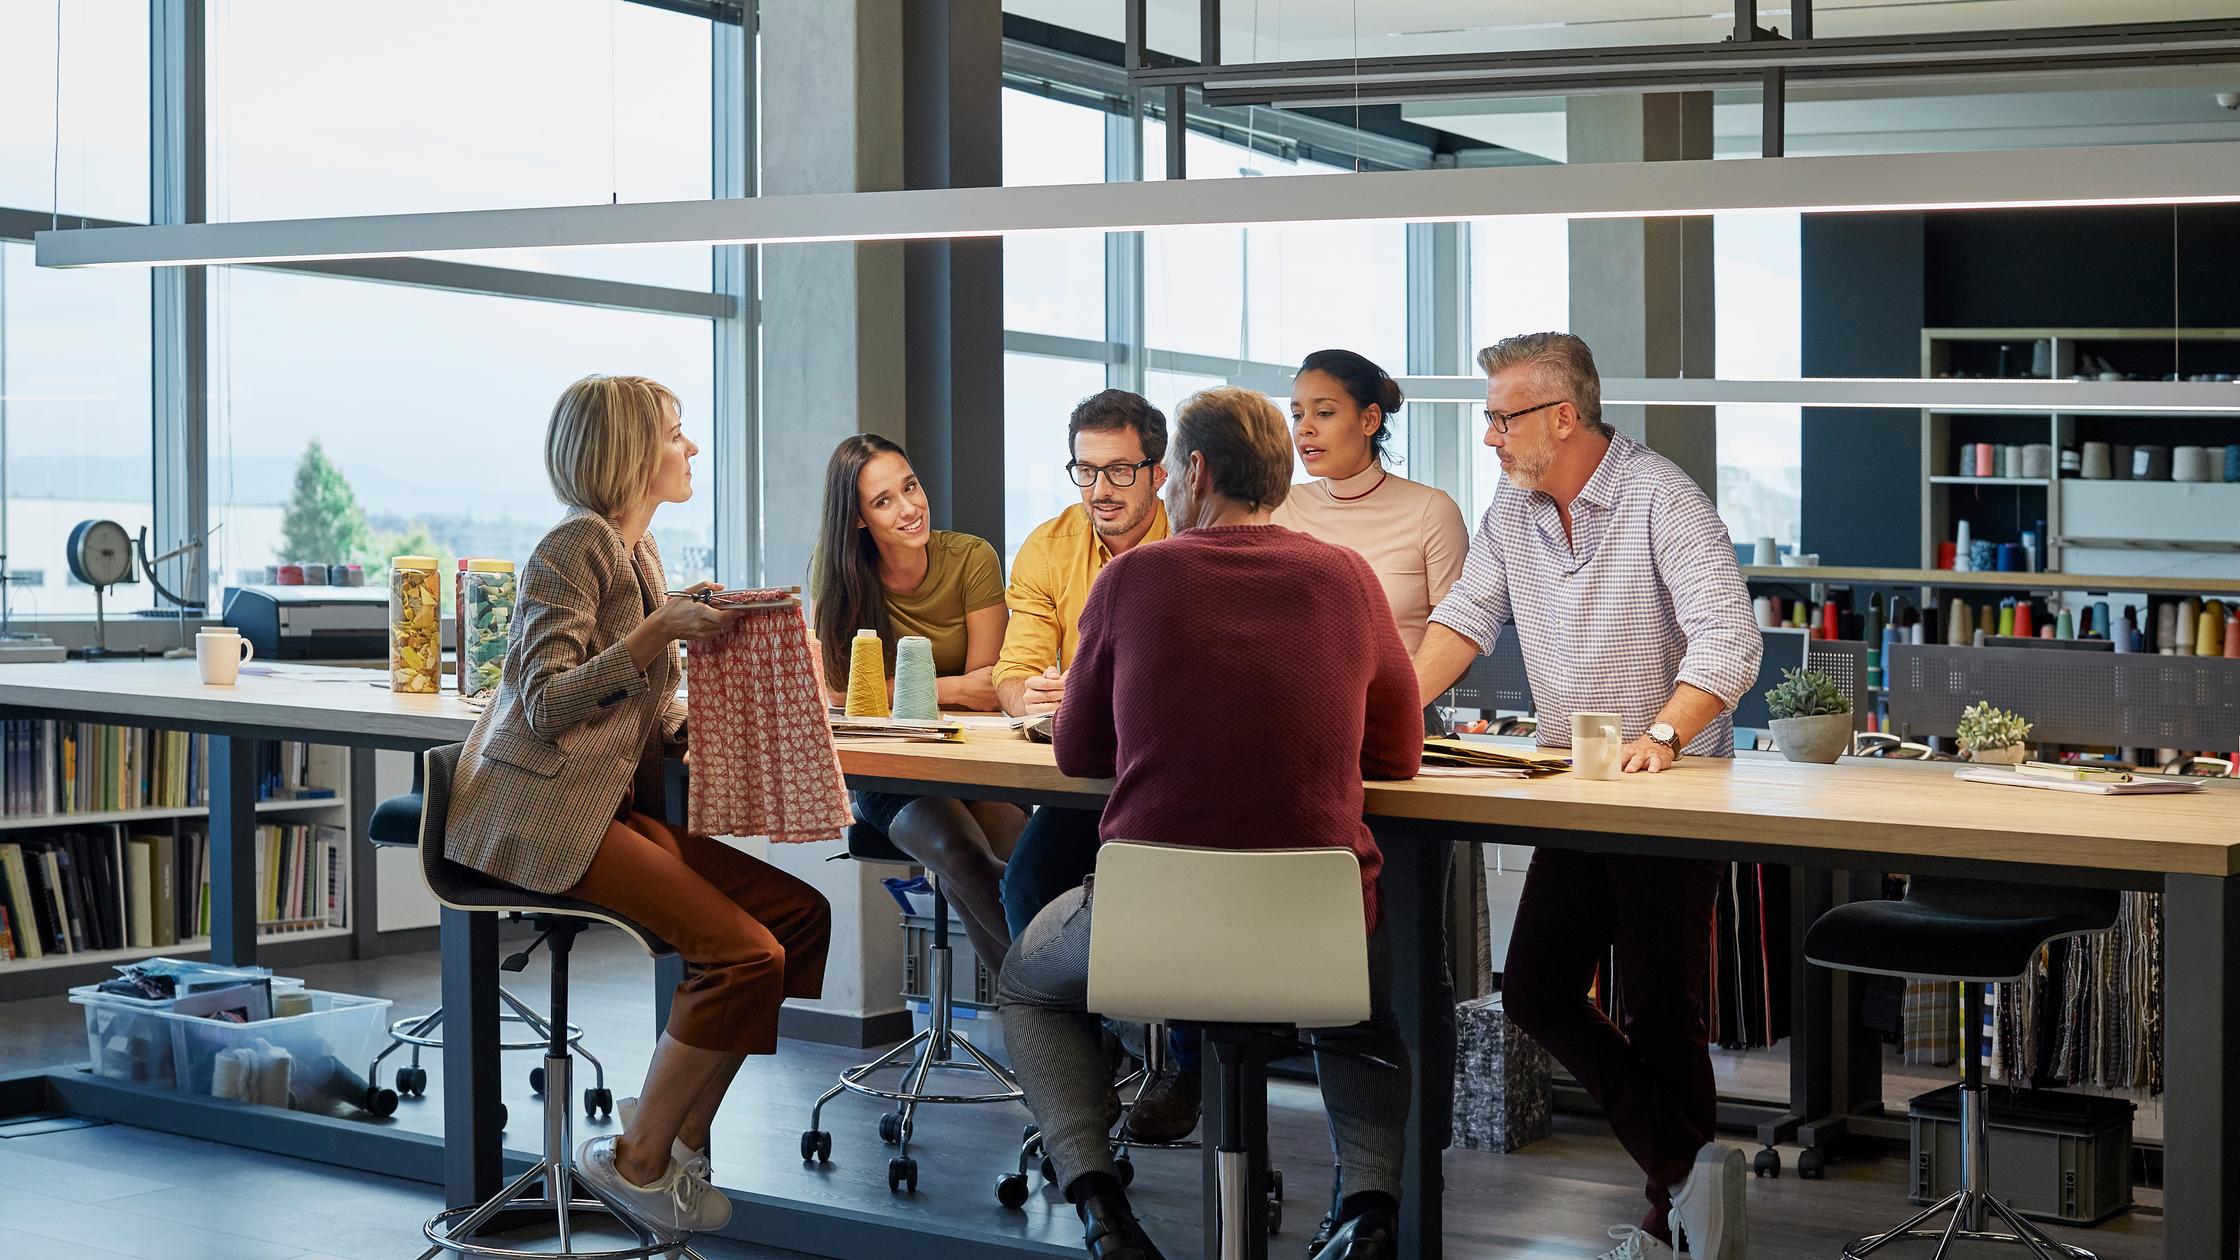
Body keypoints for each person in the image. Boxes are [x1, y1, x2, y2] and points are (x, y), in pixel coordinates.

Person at [998, 386, 1422, 1260]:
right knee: (1365, 1015)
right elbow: (1400, 755)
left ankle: (1099, 1206)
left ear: (1192, 471)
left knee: (1026, 983)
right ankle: (1370, 1220)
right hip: (1316, 925)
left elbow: (1078, 751)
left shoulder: (1132, 577)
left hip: (1152, 921)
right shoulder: (1347, 576)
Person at [445, 374, 832, 1235]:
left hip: (607, 810)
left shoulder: (641, 555)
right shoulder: (570, 548)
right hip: (548, 816)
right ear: (629, 452)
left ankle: (676, 1155)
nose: (690, 448)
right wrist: (659, 633)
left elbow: (645, 706)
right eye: (676, 433)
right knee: (742, 957)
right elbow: (545, 703)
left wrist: (707, 713)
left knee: (798, 921)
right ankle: (636, 1159)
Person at [1411, 333, 1763, 1260]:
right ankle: (1690, 1173)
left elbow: (1729, 642)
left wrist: (1664, 735)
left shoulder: (1661, 497)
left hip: (1670, 791)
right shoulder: (1514, 507)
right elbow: (1466, 617)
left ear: (1562, 417)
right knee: (1533, 989)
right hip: (1574, 787)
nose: (1488, 435)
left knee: (1660, 1007)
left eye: (1502, 416)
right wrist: (1387, 709)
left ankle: (1673, 1212)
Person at [988, 390, 1201, 1142]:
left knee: (1181, 895)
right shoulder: (1050, 545)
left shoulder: (1195, 539)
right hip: (1089, 773)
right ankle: (1085, 1049)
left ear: (1159, 472)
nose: (1100, 492)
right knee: (1028, 882)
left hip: (1183, 776)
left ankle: (1189, 1065)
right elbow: (1012, 671)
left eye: (1118, 472)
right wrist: (1028, 692)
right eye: (1085, 472)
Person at [811, 433, 1022, 972]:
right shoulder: (839, 576)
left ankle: (1039, 1017)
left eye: (911, 487)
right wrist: (950, 689)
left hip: (973, 760)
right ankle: (1053, 1001)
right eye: (884, 501)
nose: (909, 508)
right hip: (893, 772)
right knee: (960, 857)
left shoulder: (970, 557)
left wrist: (889, 690)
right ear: (858, 518)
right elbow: (839, 690)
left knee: (1022, 866)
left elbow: (990, 685)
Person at [1272, 348, 1469, 653]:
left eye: (1324, 413)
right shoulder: (1280, 508)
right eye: (1297, 415)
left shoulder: (1431, 512)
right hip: (1300, 701)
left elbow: (1456, 649)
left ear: (1370, 419)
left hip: (1403, 699)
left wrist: (1393, 699)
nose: (1305, 428)